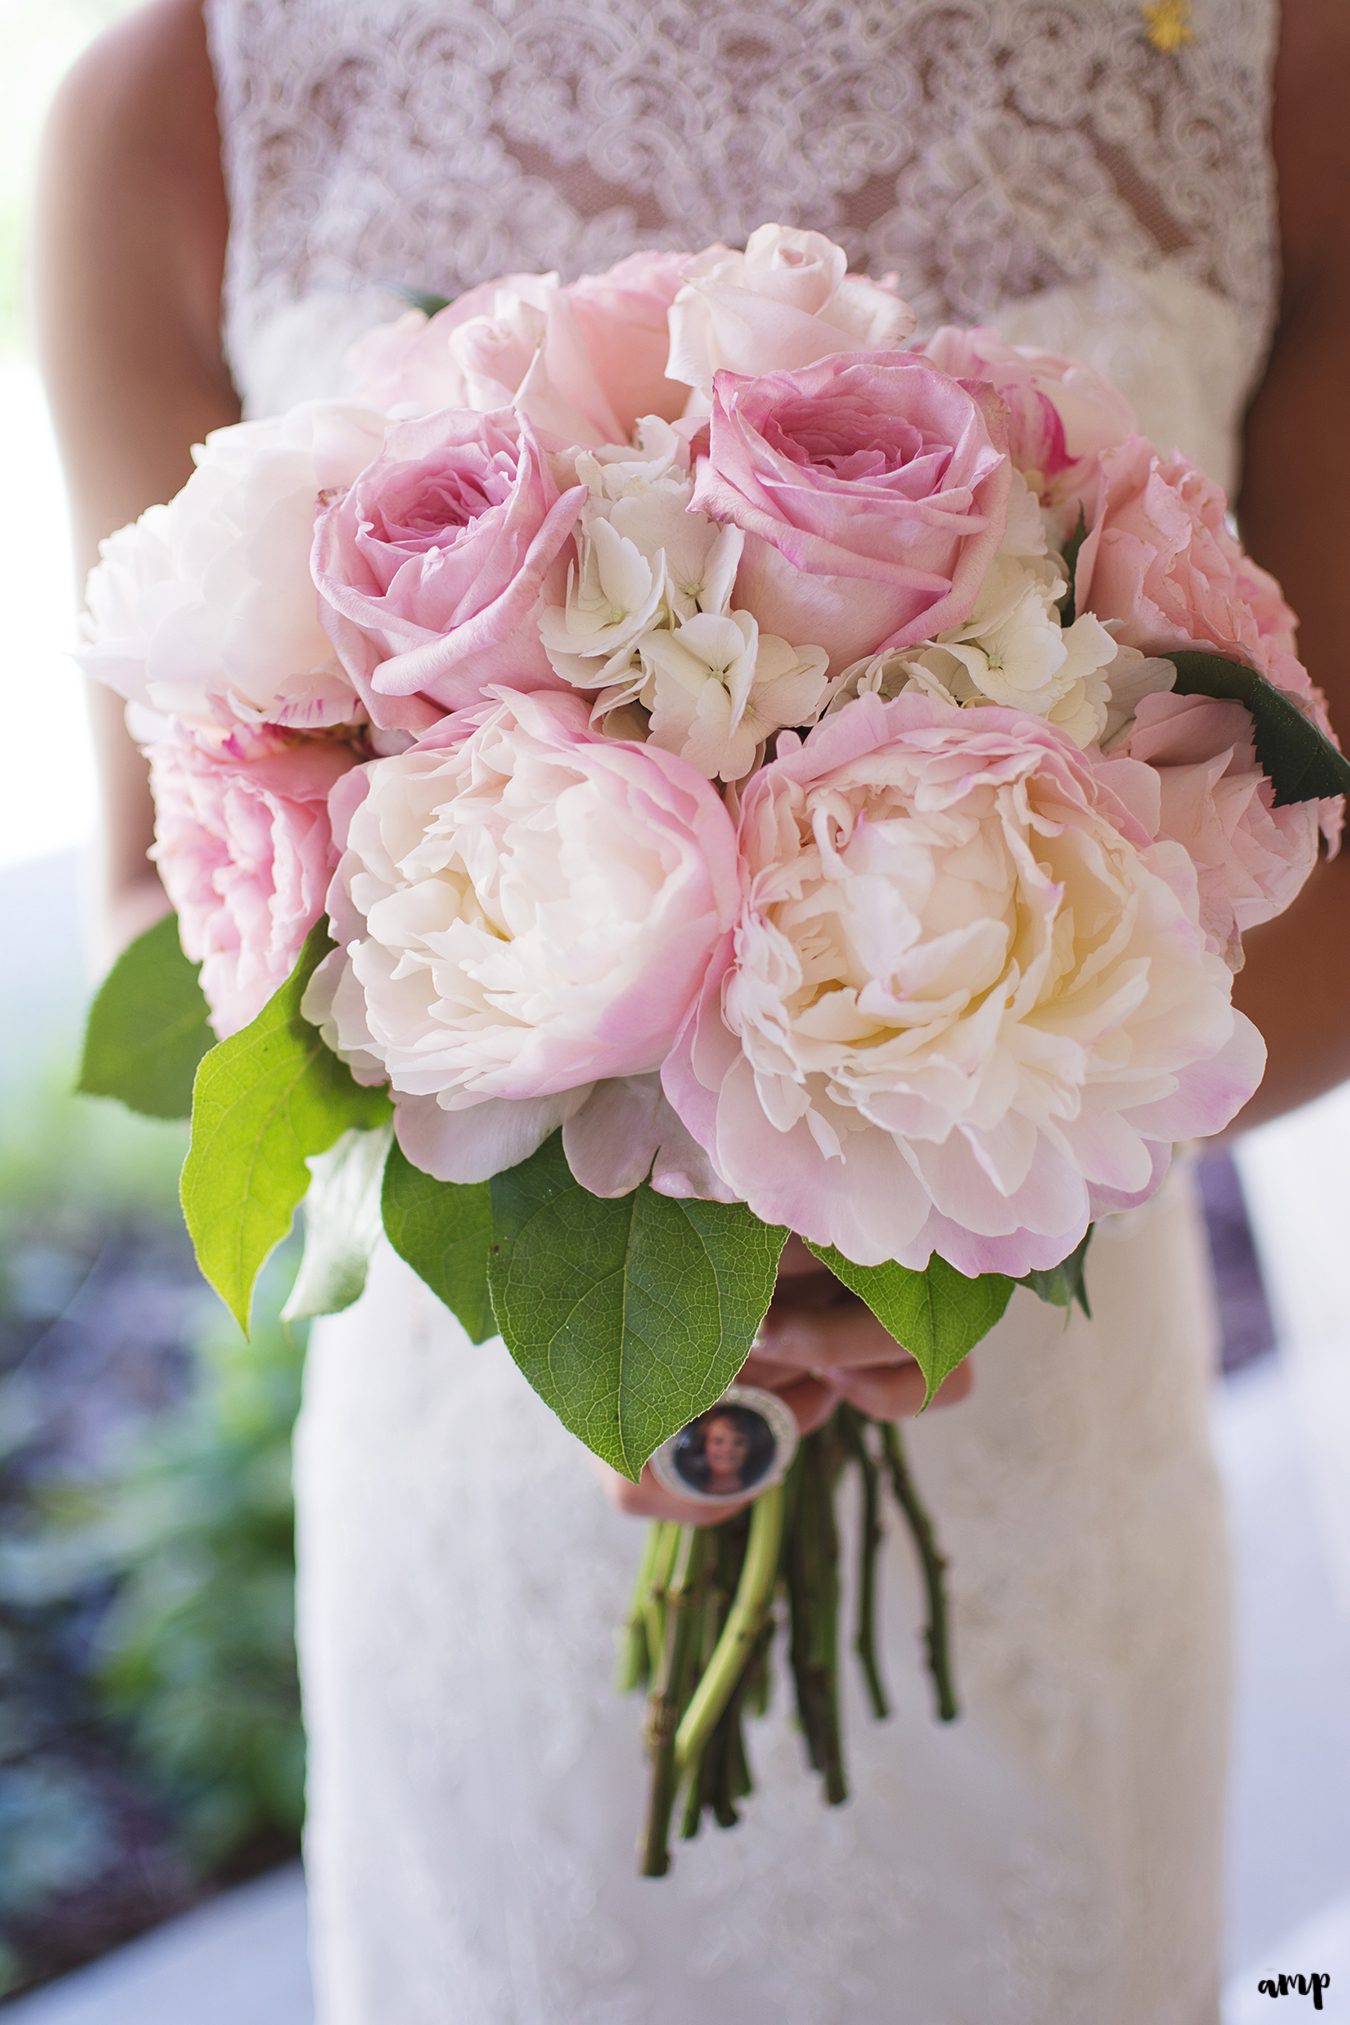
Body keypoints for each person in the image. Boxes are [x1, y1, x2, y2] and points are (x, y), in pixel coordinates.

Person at [33, 1, 1350, 2019]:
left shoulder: (1274, 66)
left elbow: (1328, 848)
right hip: (499, 1428)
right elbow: (177, 872)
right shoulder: (184, 100)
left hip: (1033, 1405)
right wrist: (618, 1110)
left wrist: (887, 1158)